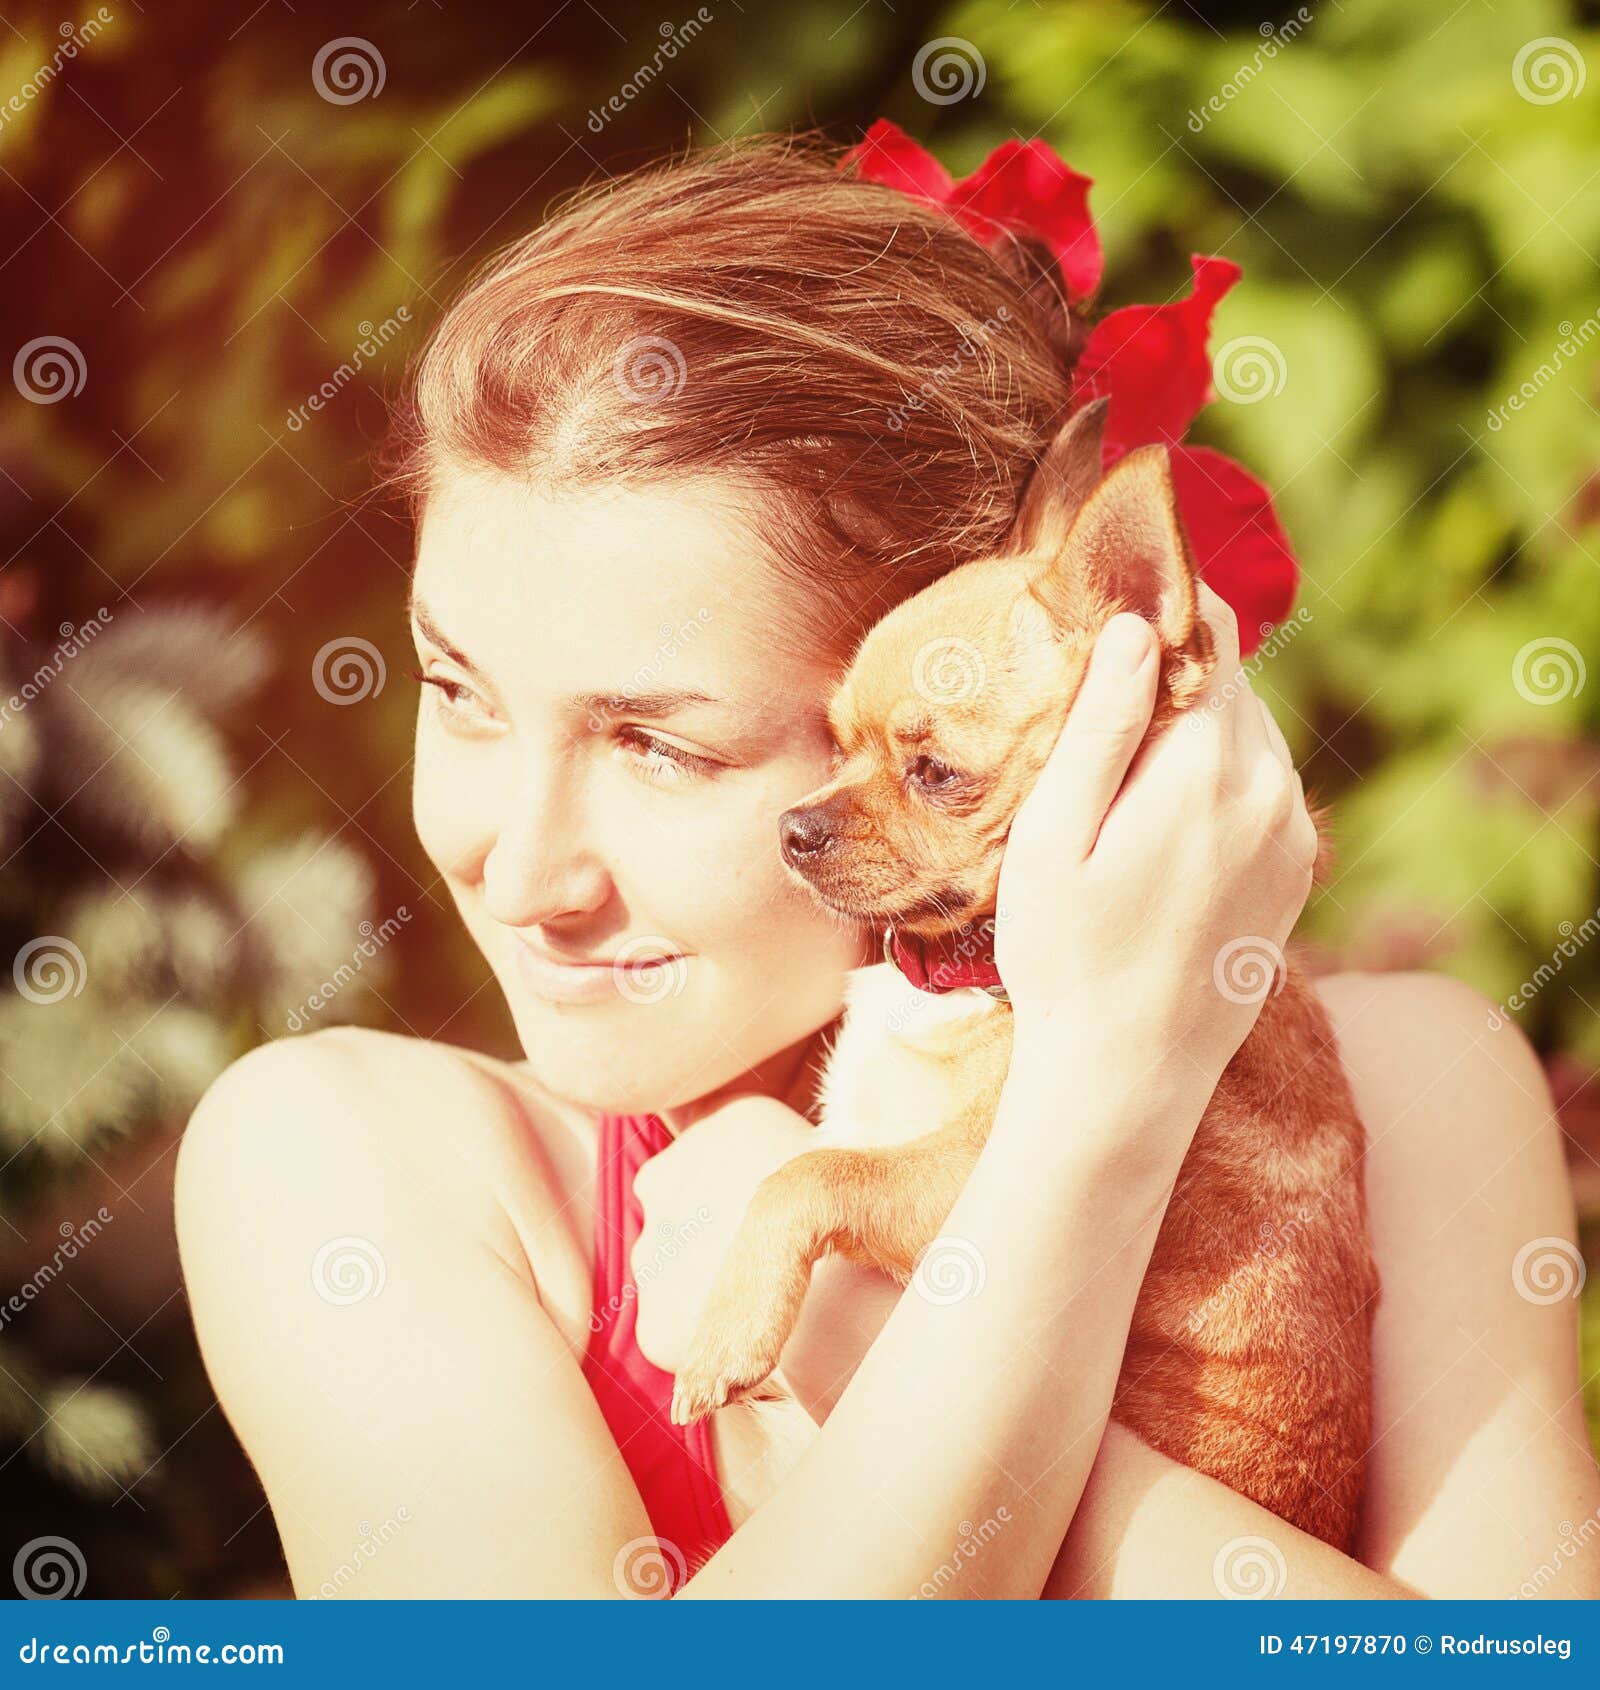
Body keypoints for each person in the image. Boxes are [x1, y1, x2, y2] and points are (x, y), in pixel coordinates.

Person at [175, 137, 1600, 1600]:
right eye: (457, 687)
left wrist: (885, 1295)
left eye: (664, 747)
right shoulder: (354, 1158)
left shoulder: (1409, 1091)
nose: (521, 866)